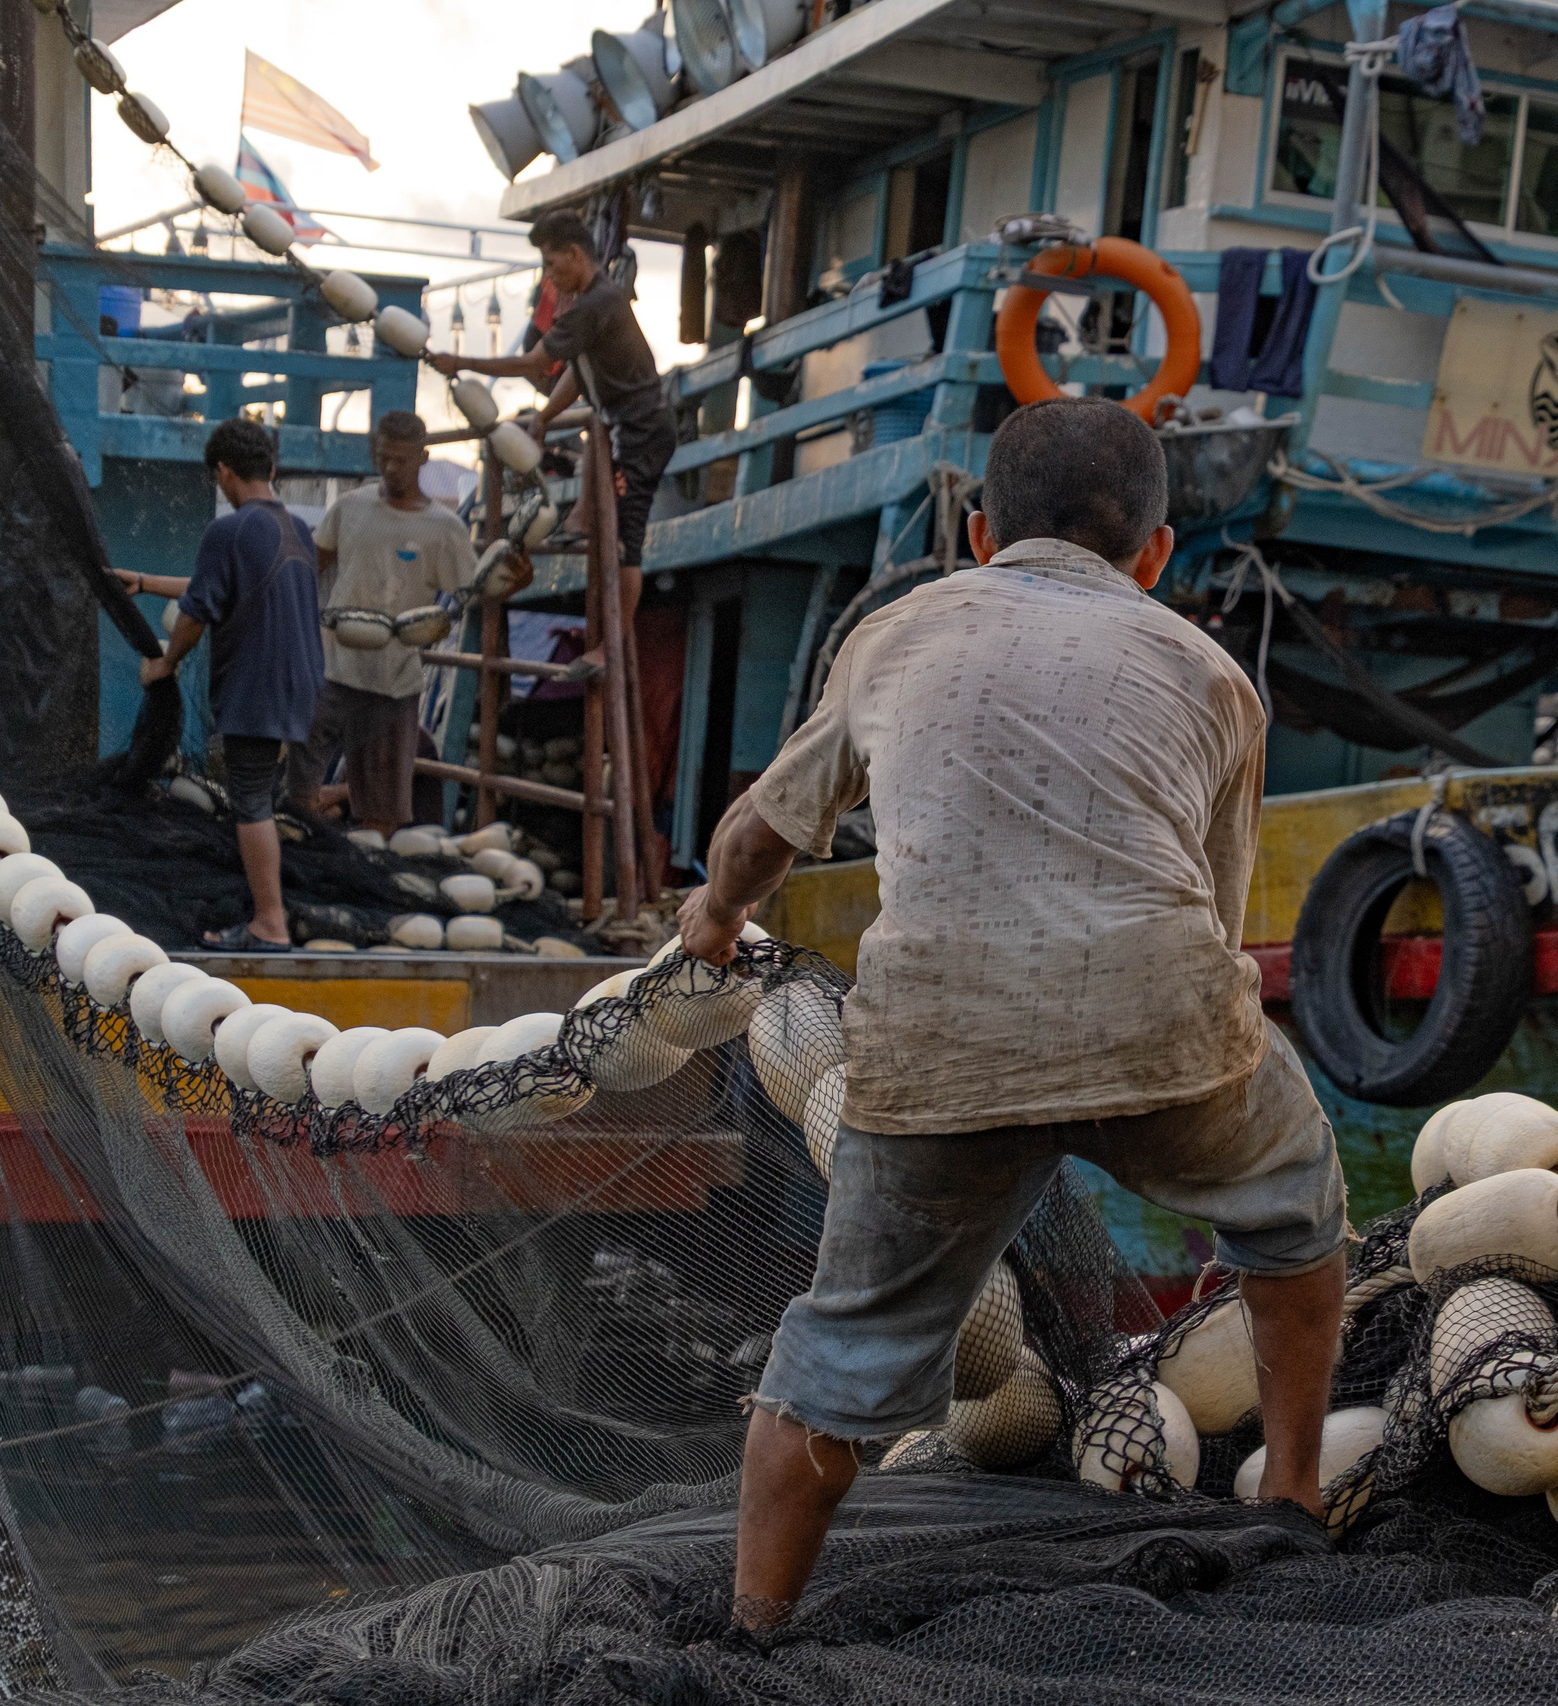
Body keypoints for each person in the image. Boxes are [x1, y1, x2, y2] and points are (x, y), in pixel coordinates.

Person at [675, 397, 1350, 1634]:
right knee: (1296, 1202)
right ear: (1155, 553)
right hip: (1161, 1030)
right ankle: (1294, 1493)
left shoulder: (894, 634)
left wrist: (716, 916)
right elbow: (1215, 914)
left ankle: (756, 1626)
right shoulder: (1213, 675)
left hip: (939, 1049)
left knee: (838, 1349)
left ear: (980, 533)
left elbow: (759, 834)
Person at [125, 418, 324, 950]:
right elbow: (217, 584)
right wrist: (144, 583)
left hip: (258, 686)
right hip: (302, 684)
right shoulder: (296, 528)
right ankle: (271, 906)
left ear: (223, 472)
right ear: (271, 469)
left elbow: (196, 613)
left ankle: (269, 923)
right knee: (263, 796)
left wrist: (166, 663)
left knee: (250, 801)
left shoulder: (229, 529)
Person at [428, 213, 677, 571]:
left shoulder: (593, 305)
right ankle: (579, 525)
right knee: (615, 534)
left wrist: (461, 362)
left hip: (641, 433)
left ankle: (620, 610)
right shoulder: (599, 298)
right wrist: (544, 418)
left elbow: (533, 364)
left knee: (625, 542)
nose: (549, 276)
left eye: (551, 263)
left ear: (575, 254)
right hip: (628, 428)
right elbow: (577, 374)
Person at [284, 411, 477, 833]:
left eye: (401, 459)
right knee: (298, 792)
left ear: (423, 458)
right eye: (383, 457)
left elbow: (471, 594)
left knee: (382, 811)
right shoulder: (349, 507)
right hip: (331, 670)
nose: (390, 467)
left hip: (394, 680)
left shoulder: (445, 529)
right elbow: (309, 568)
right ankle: (298, 854)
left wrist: (511, 577)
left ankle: (367, 861)